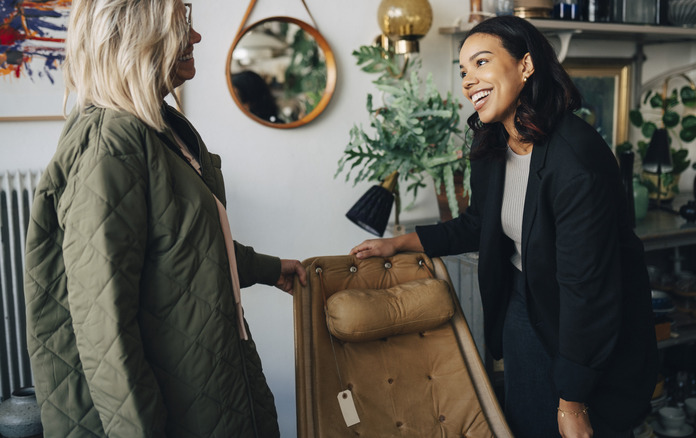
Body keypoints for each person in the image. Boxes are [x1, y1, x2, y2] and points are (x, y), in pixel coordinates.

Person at [350, 15, 658, 438]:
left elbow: (588, 293)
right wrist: (402, 243)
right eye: (463, 70)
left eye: (481, 63)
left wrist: (571, 404)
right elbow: (481, 223)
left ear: (526, 66)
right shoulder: (494, 142)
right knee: (527, 422)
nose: (468, 80)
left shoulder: (576, 160)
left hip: (587, 324)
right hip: (523, 305)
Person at [23, 1, 305, 436]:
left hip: (208, 386)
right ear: (137, 36)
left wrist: (271, 269)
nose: (195, 37)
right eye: (181, 25)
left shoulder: (157, 127)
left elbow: (189, 247)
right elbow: (105, 334)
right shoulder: (110, 145)